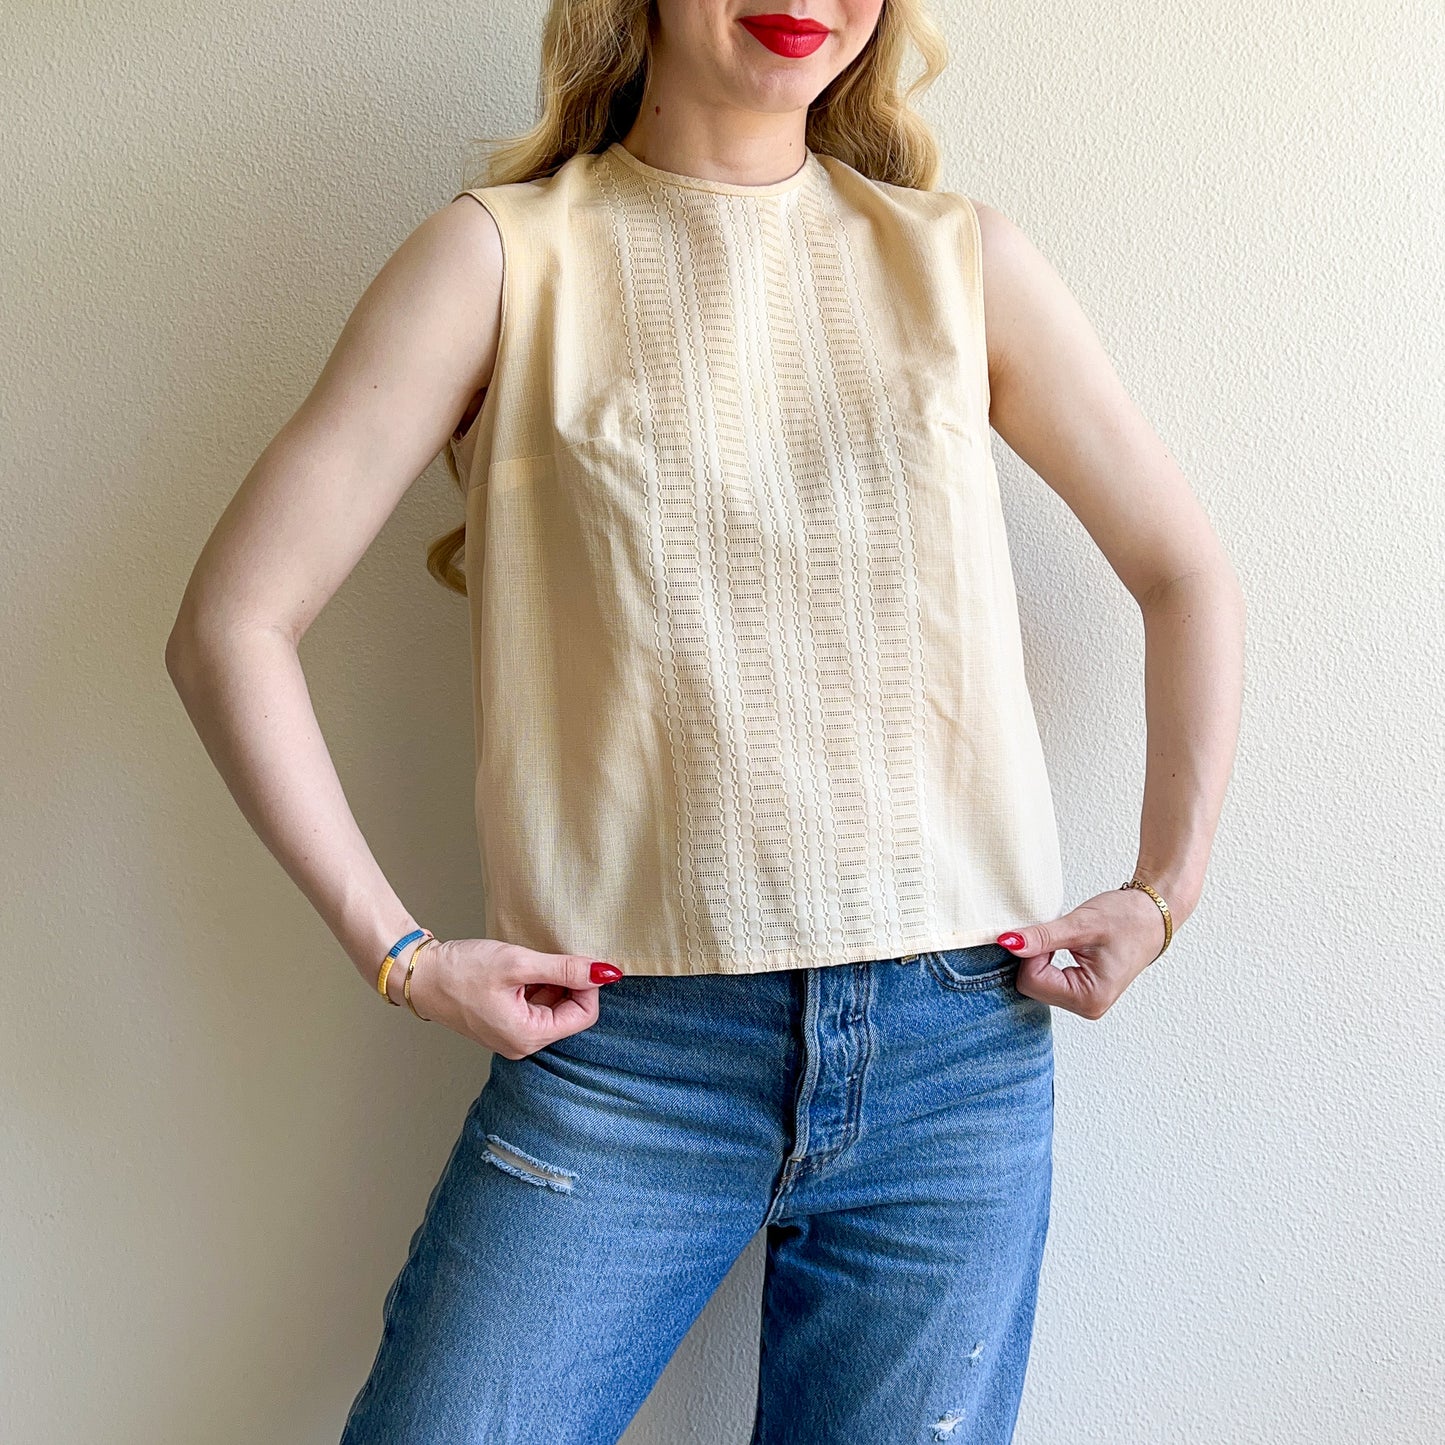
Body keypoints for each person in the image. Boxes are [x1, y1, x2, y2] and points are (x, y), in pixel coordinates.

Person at [164, 2, 1245, 1441]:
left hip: (956, 1052)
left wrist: (1163, 891)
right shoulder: (501, 258)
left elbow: (1184, 573)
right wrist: (401, 955)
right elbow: (230, 626)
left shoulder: (960, 263)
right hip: (625, 1058)